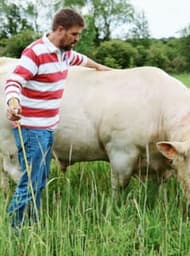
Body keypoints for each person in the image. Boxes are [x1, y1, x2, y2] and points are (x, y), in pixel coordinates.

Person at [4, 8, 111, 228]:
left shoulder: (64, 53)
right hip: (31, 129)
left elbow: (81, 59)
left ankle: (31, 222)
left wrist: (100, 67)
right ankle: (17, 228)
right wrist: (13, 102)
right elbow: (14, 80)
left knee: (40, 179)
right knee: (31, 183)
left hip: (48, 128)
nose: (77, 39)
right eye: (74, 34)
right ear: (60, 30)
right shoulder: (35, 53)